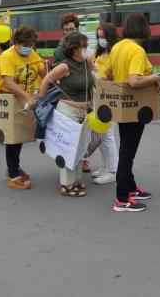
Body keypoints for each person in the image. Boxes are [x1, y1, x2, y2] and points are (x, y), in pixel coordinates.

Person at [107, 13, 160, 212]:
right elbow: (134, 81)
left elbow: (109, 75)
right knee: (128, 152)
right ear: (143, 28)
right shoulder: (137, 50)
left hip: (122, 106)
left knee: (126, 148)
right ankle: (122, 199)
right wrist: (156, 77)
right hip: (136, 107)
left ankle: (130, 187)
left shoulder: (117, 47)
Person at [40, 32, 95, 197]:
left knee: (79, 148)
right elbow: (46, 81)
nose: (87, 48)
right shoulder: (65, 65)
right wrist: (41, 103)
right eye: (83, 46)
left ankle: (75, 180)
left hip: (84, 112)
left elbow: (94, 82)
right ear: (74, 49)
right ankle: (66, 185)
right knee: (67, 148)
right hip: (68, 111)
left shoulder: (86, 63)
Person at [0, 26, 46, 190]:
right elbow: (8, 82)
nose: (28, 48)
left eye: (31, 44)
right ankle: (12, 173)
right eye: (25, 44)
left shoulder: (31, 53)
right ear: (16, 42)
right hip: (10, 98)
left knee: (20, 135)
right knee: (12, 137)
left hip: (24, 97)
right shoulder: (7, 56)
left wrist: (54, 76)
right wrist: (27, 96)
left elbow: (42, 70)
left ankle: (13, 167)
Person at [90, 23, 119, 185]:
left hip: (110, 96)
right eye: (99, 37)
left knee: (107, 134)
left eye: (103, 37)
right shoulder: (98, 52)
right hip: (97, 95)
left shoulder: (115, 54)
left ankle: (112, 170)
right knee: (100, 133)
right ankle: (106, 166)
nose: (101, 40)